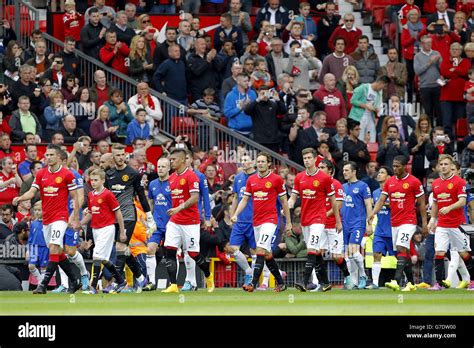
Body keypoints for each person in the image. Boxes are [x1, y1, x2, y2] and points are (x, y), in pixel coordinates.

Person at [13, 144, 82, 294]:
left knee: (53, 247)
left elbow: (75, 197)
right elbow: (32, 192)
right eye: (47, 155)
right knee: (58, 251)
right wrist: (20, 197)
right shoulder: (41, 174)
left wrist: (75, 217)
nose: (48, 157)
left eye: (51, 155)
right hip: (47, 219)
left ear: (58, 157)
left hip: (60, 217)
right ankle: (75, 281)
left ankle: (42, 285)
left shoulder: (66, 174)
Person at [231, 152, 292, 292]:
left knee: (260, 250)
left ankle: (252, 283)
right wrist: (235, 214)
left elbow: (284, 202)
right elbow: (244, 199)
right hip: (256, 221)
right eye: (258, 161)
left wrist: (288, 222)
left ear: (269, 163)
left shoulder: (276, 179)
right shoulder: (251, 180)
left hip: (270, 220)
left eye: (263, 161)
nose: (260, 164)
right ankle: (281, 283)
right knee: (266, 254)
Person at [368, 155, 427, 292]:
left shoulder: (414, 182)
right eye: (393, 166)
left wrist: (424, 224)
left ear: (406, 166)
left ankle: (396, 280)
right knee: (401, 253)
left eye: (397, 166)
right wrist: (373, 213)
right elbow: (382, 200)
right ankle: (411, 283)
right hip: (394, 222)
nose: (394, 169)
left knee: (401, 247)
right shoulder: (390, 182)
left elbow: (422, 204)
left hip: (409, 221)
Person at [160, 149, 215, 293]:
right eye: (170, 159)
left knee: (193, 253)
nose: (171, 162)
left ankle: (209, 276)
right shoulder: (171, 178)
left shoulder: (192, 177)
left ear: (183, 160)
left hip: (190, 221)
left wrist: (179, 208)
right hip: (175, 221)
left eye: (174, 159)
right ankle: (173, 285)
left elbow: (195, 198)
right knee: (170, 250)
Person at [288, 148, 341, 292]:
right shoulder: (299, 177)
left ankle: (304, 282)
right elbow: (293, 198)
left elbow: (333, 200)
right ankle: (326, 283)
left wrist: (338, 221)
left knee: (311, 248)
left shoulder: (324, 178)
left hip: (319, 218)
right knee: (316, 252)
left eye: (309, 158)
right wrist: (287, 207)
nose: (306, 160)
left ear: (314, 160)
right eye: (304, 158)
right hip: (305, 219)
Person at [105, 143, 156, 292]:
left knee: (120, 247)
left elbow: (141, 195)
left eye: (122, 155)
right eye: (117, 155)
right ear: (112, 157)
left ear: (125, 155)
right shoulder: (109, 175)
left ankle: (118, 282)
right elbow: (106, 196)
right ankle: (141, 278)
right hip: (113, 217)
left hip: (128, 215)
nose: (120, 158)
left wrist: (149, 217)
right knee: (124, 250)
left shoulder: (133, 174)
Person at [427, 155, 474, 290]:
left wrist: (449, 207)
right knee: (439, 252)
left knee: (464, 253)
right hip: (442, 225)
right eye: (441, 164)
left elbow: (462, 202)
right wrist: (433, 219)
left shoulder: (459, 182)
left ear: (451, 165)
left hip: (457, 225)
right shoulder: (436, 183)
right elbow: (435, 203)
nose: (443, 167)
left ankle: (472, 281)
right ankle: (439, 283)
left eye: (446, 164)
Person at [80, 169, 127, 294]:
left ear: (103, 180)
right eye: (91, 180)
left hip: (107, 228)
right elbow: (90, 213)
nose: (93, 182)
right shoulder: (91, 195)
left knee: (96, 256)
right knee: (104, 259)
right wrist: (80, 224)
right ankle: (121, 281)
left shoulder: (108, 194)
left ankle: (93, 287)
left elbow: (118, 212)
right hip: (96, 229)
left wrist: (122, 232)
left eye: (96, 180)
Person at [318, 159, 351, 286]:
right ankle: (321, 282)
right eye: (319, 167)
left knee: (336, 256)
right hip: (319, 226)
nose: (319, 169)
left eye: (322, 167)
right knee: (317, 253)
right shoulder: (317, 184)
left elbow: (339, 204)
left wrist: (324, 215)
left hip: (333, 226)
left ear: (330, 170)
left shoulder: (336, 184)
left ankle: (347, 277)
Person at [341, 161, 373, 289]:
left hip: (357, 223)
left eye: (347, 170)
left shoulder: (363, 186)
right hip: (344, 223)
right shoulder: (342, 187)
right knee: (347, 254)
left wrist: (369, 224)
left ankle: (363, 275)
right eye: (343, 170)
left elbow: (368, 205)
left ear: (354, 172)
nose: (344, 172)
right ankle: (352, 281)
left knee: (354, 252)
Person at [143, 157, 172, 291]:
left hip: (172, 224)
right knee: (150, 250)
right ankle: (152, 282)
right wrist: (149, 220)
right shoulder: (153, 184)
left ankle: (173, 283)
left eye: (163, 166)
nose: (160, 169)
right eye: (158, 166)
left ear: (168, 168)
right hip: (156, 224)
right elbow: (151, 203)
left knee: (172, 253)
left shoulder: (173, 183)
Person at [366, 166, 394, 289]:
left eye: (382, 172)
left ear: (389, 177)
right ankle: (375, 283)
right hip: (380, 230)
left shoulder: (394, 191)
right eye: (379, 172)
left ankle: (407, 280)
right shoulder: (376, 192)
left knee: (401, 256)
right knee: (376, 254)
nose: (379, 174)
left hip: (393, 229)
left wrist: (386, 204)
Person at [348, 75, 390, 143]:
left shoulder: (378, 94)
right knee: (360, 138)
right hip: (359, 117)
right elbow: (352, 100)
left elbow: (377, 107)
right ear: (380, 83)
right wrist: (366, 106)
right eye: (384, 86)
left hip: (370, 117)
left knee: (372, 138)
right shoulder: (363, 88)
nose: (384, 88)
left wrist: (376, 109)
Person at [244, 86, 286, 152]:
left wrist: (278, 100)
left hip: (273, 140)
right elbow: (247, 111)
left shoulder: (273, 104)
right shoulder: (255, 105)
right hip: (259, 140)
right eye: (262, 93)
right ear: (258, 93)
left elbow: (283, 111)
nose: (264, 95)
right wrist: (258, 99)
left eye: (266, 93)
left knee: (273, 161)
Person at [414, 35, 442, 127]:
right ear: (422, 44)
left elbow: (442, 69)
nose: (429, 45)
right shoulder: (417, 56)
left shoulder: (436, 53)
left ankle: (439, 130)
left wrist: (439, 62)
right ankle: (429, 131)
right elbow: (417, 71)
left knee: (439, 111)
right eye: (427, 43)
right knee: (428, 111)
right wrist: (429, 63)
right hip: (425, 87)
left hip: (437, 86)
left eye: (430, 42)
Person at [224, 73, 257, 137]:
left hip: (251, 131)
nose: (247, 83)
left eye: (248, 80)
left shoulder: (252, 93)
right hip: (236, 132)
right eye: (245, 81)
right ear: (238, 81)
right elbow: (227, 113)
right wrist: (240, 107)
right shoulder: (230, 95)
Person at [27, 201, 49, 285]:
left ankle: (42, 285)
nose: (37, 212)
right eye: (35, 210)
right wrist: (28, 250)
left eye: (39, 210)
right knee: (31, 266)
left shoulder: (48, 223)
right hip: (34, 248)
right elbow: (31, 237)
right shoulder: (34, 223)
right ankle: (40, 280)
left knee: (44, 267)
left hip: (44, 248)